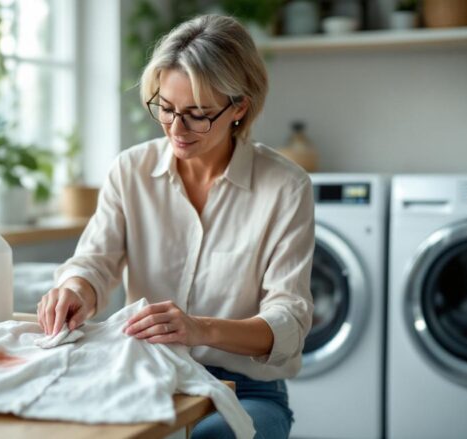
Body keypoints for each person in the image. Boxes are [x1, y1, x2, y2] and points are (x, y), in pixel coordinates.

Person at [36, 14, 314, 439]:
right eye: (165, 108)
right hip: (146, 375)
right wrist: (75, 290)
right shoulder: (131, 170)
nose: (176, 130)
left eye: (198, 114)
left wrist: (200, 328)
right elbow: (95, 262)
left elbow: (289, 322)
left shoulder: (285, 187)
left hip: (248, 390)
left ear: (238, 106)